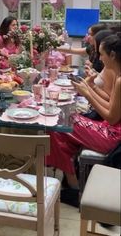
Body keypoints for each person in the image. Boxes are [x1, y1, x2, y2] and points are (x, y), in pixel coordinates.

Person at [46, 33, 121, 207]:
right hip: (110, 131)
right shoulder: (118, 76)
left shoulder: (119, 80)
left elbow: (111, 117)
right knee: (59, 128)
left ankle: (73, 184)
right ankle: (72, 179)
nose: (100, 58)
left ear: (113, 55)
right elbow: (111, 106)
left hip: (112, 137)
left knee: (57, 122)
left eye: (102, 54)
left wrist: (87, 93)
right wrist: (89, 87)